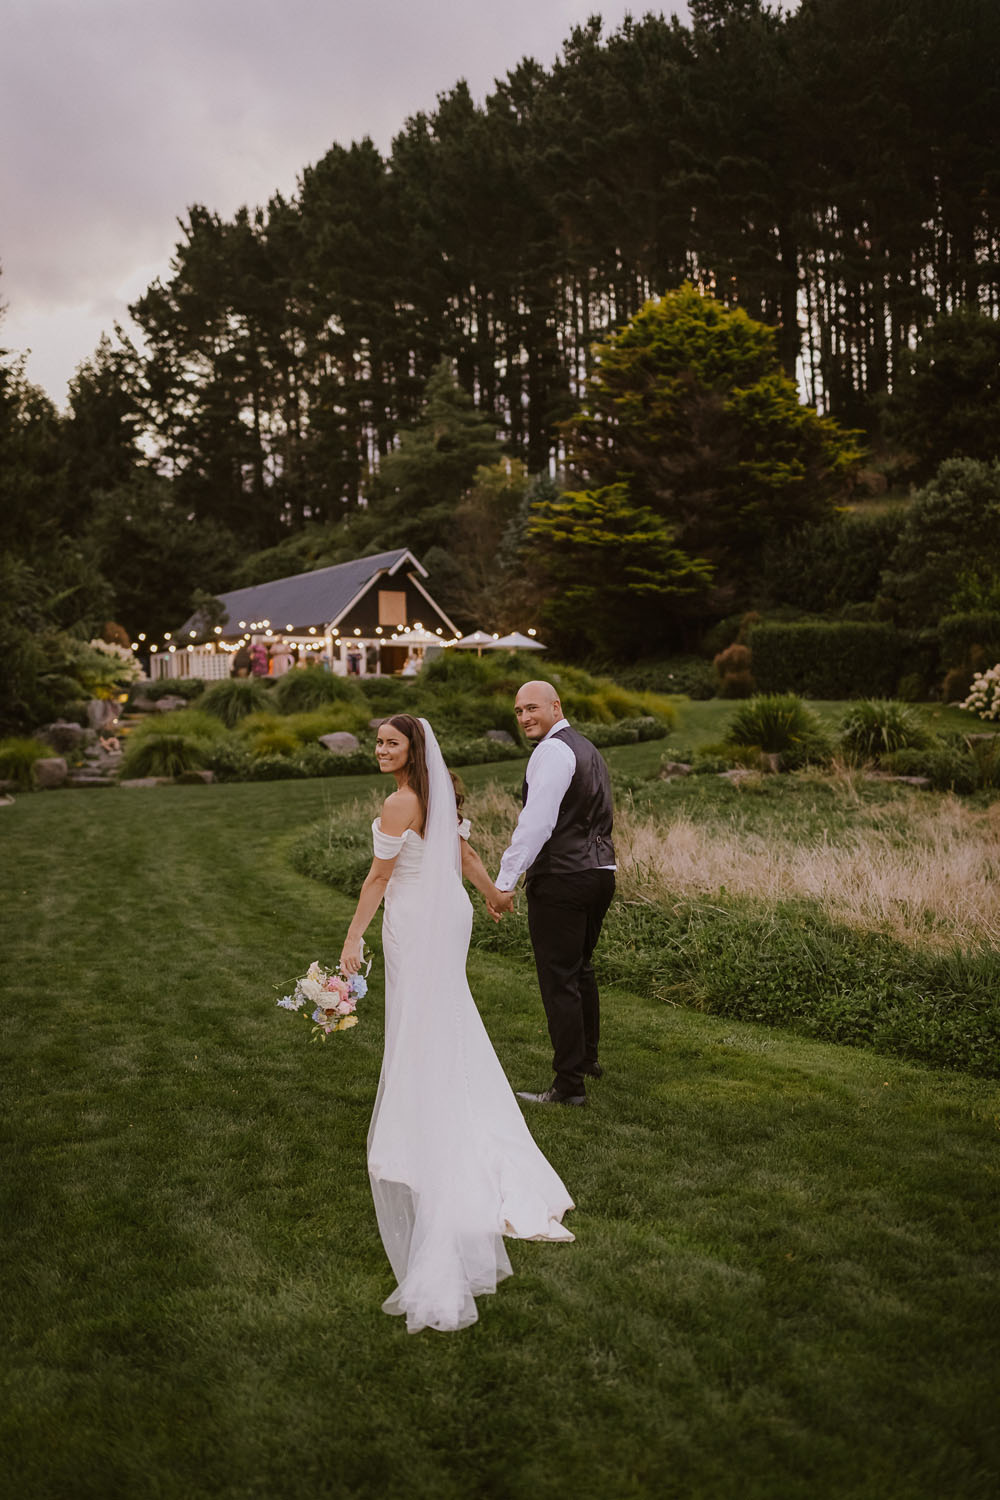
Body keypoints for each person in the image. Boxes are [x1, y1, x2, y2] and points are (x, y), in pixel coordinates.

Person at [338, 713, 574, 1333]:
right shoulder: (440, 790)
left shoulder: (400, 803)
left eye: (391, 742)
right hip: (448, 915)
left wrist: (352, 937)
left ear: (412, 748)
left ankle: (425, 1110)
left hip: (416, 918)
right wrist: (492, 895)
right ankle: (443, 1091)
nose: (381, 750)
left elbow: (379, 876)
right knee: (444, 1012)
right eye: (378, 742)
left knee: (420, 1015)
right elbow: (462, 851)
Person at [491, 681, 616, 1107]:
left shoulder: (551, 751)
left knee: (559, 978)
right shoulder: (587, 749)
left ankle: (568, 1086)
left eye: (532, 708)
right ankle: (587, 1061)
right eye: (518, 711)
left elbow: (537, 822)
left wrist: (505, 881)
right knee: (581, 969)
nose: (524, 717)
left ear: (555, 705)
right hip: (600, 872)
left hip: (563, 876)